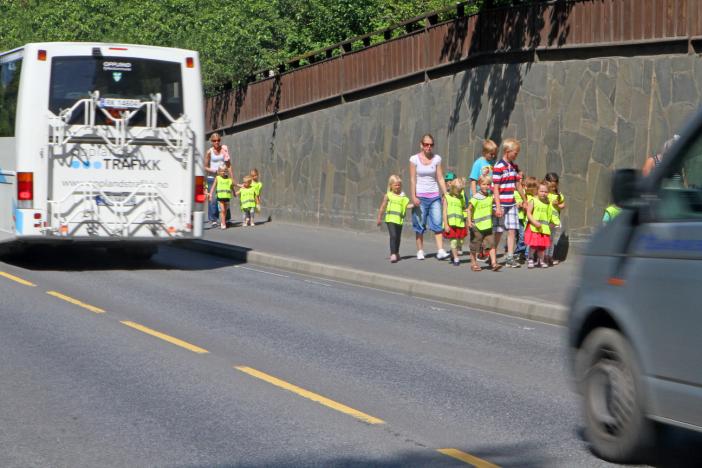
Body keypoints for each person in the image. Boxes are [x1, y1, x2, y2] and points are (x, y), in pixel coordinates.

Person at [409, 133, 449, 260]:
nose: (428, 147)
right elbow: (412, 179)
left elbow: (440, 178)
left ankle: (440, 250)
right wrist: (414, 196)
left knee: (437, 222)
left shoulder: (437, 159)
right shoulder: (414, 159)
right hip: (420, 197)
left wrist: (446, 193)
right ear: (421, 145)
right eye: (426, 144)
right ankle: (420, 251)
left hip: (434, 196)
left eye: (431, 145)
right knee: (420, 225)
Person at [493, 138, 526, 268]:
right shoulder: (498, 167)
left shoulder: (514, 167)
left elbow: (517, 184)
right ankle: (492, 255)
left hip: (511, 203)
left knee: (512, 230)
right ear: (507, 151)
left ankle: (510, 257)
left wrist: (524, 199)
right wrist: (498, 206)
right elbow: (495, 188)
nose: (516, 155)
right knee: (499, 231)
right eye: (515, 152)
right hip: (501, 203)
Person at [467, 175, 501, 272]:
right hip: (477, 227)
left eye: (488, 184)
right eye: (484, 184)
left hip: (488, 226)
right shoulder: (475, 198)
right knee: (475, 246)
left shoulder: (490, 197)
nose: (486, 186)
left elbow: (489, 210)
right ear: (479, 185)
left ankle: (494, 263)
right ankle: (473, 263)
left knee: (491, 244)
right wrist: (469, 222)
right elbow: (469, 210)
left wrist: (496, 213)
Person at [376, 175, 413, 263]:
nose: (397, 187)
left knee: (398, 238)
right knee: (393, 236)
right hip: (390, 220)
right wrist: (379, 218)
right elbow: (382, 207)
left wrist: (415, 205)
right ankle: (392, 254)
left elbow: (407, 206)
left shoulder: (403, 197)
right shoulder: (388, 196)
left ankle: (396, 253)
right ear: (391, 185)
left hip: (399, 220)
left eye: (399, 185)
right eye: (396, 185)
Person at [204, 133, 234, 227]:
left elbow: (228, 165)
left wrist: (232, 177)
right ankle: (213, 219)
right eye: (214, 140)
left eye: (218, 140)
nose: (216, 142)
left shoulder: (224, 149)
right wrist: (215, 171)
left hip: (224, 178)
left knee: (225, 198)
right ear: (211, 141)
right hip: (212, 177)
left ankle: (226, 219)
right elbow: (205, 167)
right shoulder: (209, 152)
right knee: (213, 199)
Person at [525, 180, 554, 268]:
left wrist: (552, 222)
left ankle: (540, 261)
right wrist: (534, 222)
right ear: (537, 190)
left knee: (542, 246)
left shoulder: (548, 203)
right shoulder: (533, 200)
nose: (543, 193)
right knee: (533, 245)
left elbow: (550, 214)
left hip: (544, 228)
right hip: (534, 227)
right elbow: (528, 213)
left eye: (546, 191)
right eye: (541, 191)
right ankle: (530, 258)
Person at [442, 177, 468, 266]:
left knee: (460, 242)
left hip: (460, 223)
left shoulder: (461, 198)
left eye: (461, 190)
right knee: (453, 241)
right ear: (453, 188)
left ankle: (454, 254)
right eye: (458, 190)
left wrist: (466, 220)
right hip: (451, 224)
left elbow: (464, 209)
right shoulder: (447, 197)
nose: (460, 192)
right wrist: (446, 224)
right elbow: (444, 212)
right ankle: (456, 258)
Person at [544, 172, 565, 266]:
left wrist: (558, 205)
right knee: (546, 239)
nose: (553, 188)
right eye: (551, 186)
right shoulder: (544, 193)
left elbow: (563, 205)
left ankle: (550, 257)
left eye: (555, 186)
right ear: (546, 183)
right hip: (545, 220)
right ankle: (544, 257)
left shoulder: (559, 195)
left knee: (551, 239)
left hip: (554, 220)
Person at [208, 164, 233, 229]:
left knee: (225, 210)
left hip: (227, 197)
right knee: (222, 210)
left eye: (224, 171)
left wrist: (234, 192)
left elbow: (232, 185)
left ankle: (222, 221)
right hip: (220, 197)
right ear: (219, 172)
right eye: (221, 171)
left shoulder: (228, 179)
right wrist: (210, 194)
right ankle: (223, 224)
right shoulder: (217, 178)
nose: (223, 172)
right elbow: (213, 187)